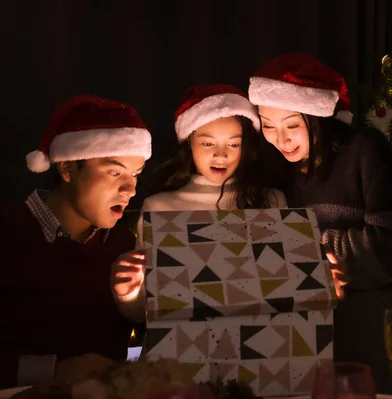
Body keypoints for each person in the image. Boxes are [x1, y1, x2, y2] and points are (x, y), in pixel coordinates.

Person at [248, 53, 392, 397]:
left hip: (379, 336)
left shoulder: (364, 150)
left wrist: (306, 245)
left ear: (317, 116)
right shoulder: (281, 174)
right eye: (268, 125)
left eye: (292, 125)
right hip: (319, 343)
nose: (280, 139)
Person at [0, 94, 152, 393]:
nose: (130, 188)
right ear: (67, 168)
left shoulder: (126, 246)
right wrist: (52, 370)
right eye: (114, 172)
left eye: (135, 174)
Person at [111, 84, 286, 322]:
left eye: (233, 144)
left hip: (261, 346)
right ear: (189, 144)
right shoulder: (159, 208)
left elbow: (286, 293)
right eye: (208, 143)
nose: (221, 155)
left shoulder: (271, 201)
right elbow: (142, 312)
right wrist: (127, 292)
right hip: (179, 354)